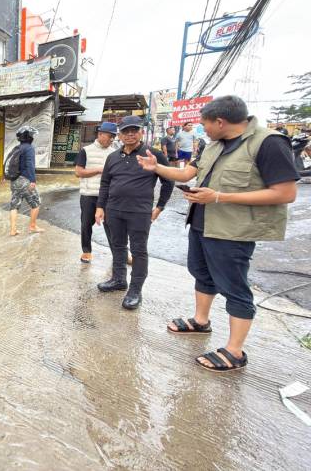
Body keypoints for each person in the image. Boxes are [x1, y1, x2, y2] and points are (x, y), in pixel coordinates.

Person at [137, 95, 298, 372]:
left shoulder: (268, 143)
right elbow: (187, 174)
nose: (203, 128)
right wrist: (157, 168)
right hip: (202, 223)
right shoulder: (214, 145)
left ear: (220, 122)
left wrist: (220, 197)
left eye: (205, 124)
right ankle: (201, 321)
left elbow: (285, 193)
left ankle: (235, 351)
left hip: (233, 230)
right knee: (202, 274)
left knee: (234, 286)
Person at [96, 115, 174, 310]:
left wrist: (160, 207)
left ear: (141, 132)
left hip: (139, 212)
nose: (130, 134)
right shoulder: (113, 157)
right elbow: (105, 183)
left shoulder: (153, 154)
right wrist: (100, 207)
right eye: (125, 131)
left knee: (138, 251)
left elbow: (168, 181)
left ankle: (135, 290)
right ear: (119, 134)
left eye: (134, 130)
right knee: (118, 246)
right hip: (114, 210)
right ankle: (118, 279)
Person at [75, 122, 117, 263]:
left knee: (112, 226)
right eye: (110, 136)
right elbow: (78, 172)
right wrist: (99, 170)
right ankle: (86, 251)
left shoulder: (115, 153)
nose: (112, 139)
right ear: (100, 134)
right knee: (86, 224)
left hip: (109, 196)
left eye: (113, 136)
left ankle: (118, 254)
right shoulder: (85, 151)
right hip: (89, 194)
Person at [9, 126, 43, 236]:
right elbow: (30, 165)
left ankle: (13, 230)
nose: (33, 137)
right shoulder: (29, 148)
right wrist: (33, 180)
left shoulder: (17, 148)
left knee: (14, 205)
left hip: (14, 180)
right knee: (36, 202)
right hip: (24, 180)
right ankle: (32, 226)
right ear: (28, 137)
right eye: (32, 135)